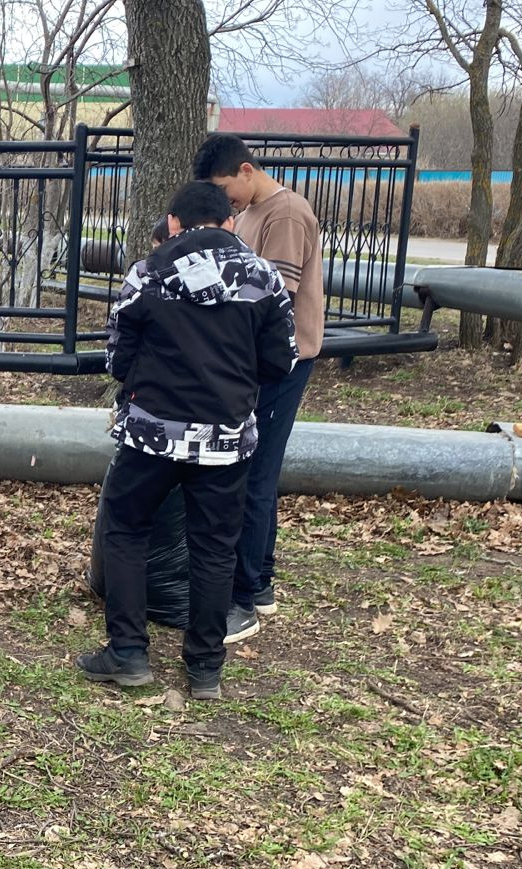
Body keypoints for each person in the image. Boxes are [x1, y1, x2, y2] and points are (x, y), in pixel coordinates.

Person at [76, 181, 296, 700]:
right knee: (215, 548)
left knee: (126, 529)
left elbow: (118, 358)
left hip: (151, 434)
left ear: (173, 222)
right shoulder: (264, 277)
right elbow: (280, 361)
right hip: (226, 437)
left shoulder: (147, 274)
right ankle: (205, 669)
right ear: (229, 221)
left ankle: (128, 653)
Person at [192, 134, 326, 643]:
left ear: (246, 171)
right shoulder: (250, 211)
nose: (224, 201)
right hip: (253, 361)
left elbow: (271, 300)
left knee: (254, 474)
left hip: (279, 362)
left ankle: (243, 598)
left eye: (226, 189)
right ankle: (261, 581)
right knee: (256, 470)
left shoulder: (285, 214)